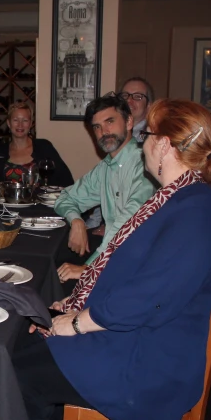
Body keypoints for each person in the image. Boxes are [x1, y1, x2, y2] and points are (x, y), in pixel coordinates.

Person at [13, 99, 211, 420]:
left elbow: (151, 298)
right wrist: (78, 302)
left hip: (151, 362)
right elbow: (141, 278)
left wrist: (76, 323)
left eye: (149, 135)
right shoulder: (183, 199)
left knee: (22, 368)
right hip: (146, 334)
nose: (143, 144)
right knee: (24, 337)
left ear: (166, 145)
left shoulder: (197, 213)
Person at [54, 93, 155, 283]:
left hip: (139, 269)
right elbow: (65, 197)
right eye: (97, 127)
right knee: (50, 266)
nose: (104, 132)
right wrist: (76, 221)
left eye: (110, 122)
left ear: (129, 122)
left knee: (55, 285)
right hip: (114, 260)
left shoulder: (144, 164)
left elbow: (126, 227)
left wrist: (88, 269)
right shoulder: (106, 167)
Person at [0, 102, 74, 186]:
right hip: (8, 199)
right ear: (9, 123)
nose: (20, 125)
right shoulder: (0, 151)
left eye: (25, 120)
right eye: (15, 120)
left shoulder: (44, 147)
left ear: (31, 124)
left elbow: (67, 181)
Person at [119, 76, 155, 144]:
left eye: (137, 96)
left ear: (148, 106)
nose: (129, 100)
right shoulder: (114, 132)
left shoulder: (151, 138)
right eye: (125, 95)